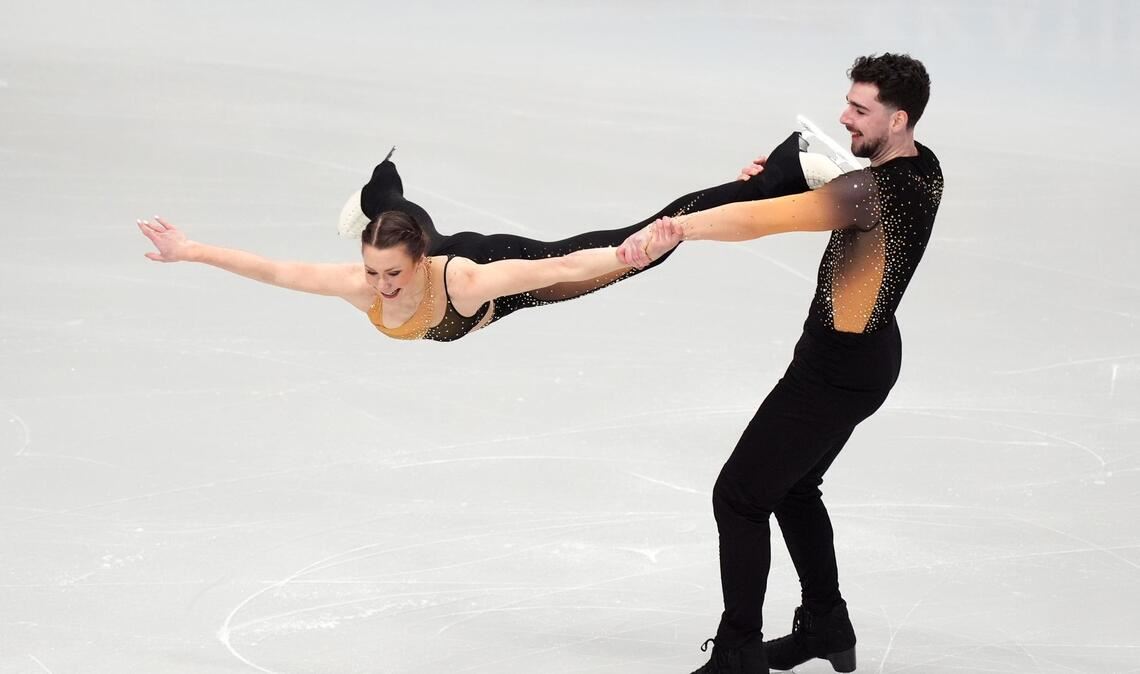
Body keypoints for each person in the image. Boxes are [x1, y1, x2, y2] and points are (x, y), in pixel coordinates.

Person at [619, 53, 943, 674]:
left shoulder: (870, 193)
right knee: (794, 488)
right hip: (865, 355)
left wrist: (683, 227)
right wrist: (784, 173)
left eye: (860, 109)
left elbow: (761, 222)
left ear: (898, 118)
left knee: (738, 496)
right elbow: (839, 178)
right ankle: (827, 625)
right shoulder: (921, 168)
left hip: (836, 372)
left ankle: (739, 651)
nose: (844, 116)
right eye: (847, 102)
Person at [136, 134, 834, 342]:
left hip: (509, 268)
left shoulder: (463, 278)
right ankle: (378, 191)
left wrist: (624, 256)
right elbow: (276, 271)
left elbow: (559, 264)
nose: (381, 287)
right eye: (374, 273)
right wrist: (191, 249)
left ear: (422, 262)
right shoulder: (371, 275)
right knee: (395, 209)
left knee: (647, 242)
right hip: (438, 247)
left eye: (393, 275)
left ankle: (779, 169)